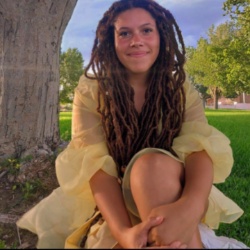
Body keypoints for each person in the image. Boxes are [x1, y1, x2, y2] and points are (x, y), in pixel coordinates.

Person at [17, 0, 249, 249]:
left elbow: (199, 150)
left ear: (161, 36)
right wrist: (124, 233)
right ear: (111, 41)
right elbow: (95, 168)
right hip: (119, 204)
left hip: (180, 193)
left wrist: (190, 207)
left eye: (146, 30)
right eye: (124, 33)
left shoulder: (179, 89)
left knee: (151, 166)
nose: (136, 40)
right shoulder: (91, 91)